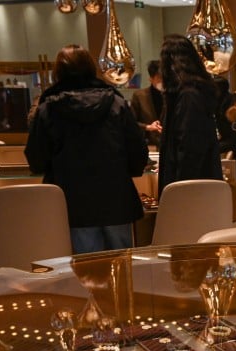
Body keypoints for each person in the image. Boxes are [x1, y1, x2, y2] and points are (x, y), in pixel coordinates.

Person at [25, 44, 149, 254]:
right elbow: (138, 152)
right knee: (124, 268)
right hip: (116, 199)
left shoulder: (49, 108)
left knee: (87, 272)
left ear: (58, 72)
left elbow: (36, 158)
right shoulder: (115, 103)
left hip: (73, 203)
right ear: (92, 68)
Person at [157, 34, 222, 196]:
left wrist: (178, 193)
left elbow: (189, 149)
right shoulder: (193, 93)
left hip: (189, 190)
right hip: (199, 186)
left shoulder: (188, 97)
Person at [130, 60, 164, 147]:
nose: (163, 81)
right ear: (151, 79)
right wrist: (148, 127)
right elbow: (131, 122)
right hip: (148, 145)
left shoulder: (171, 96)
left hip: (169, 145)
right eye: (159, 78)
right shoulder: (139, 96)